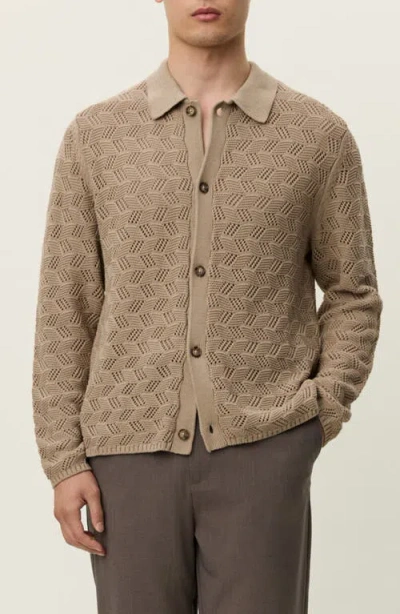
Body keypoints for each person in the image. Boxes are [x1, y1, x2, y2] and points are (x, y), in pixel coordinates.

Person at [31, 1, 383, 612]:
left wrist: (317, 415)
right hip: (126, 456)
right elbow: (66, 307)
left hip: (264, 446)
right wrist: (63, 460)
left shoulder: (317, 138)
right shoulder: (96, 138)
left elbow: (353, 292)